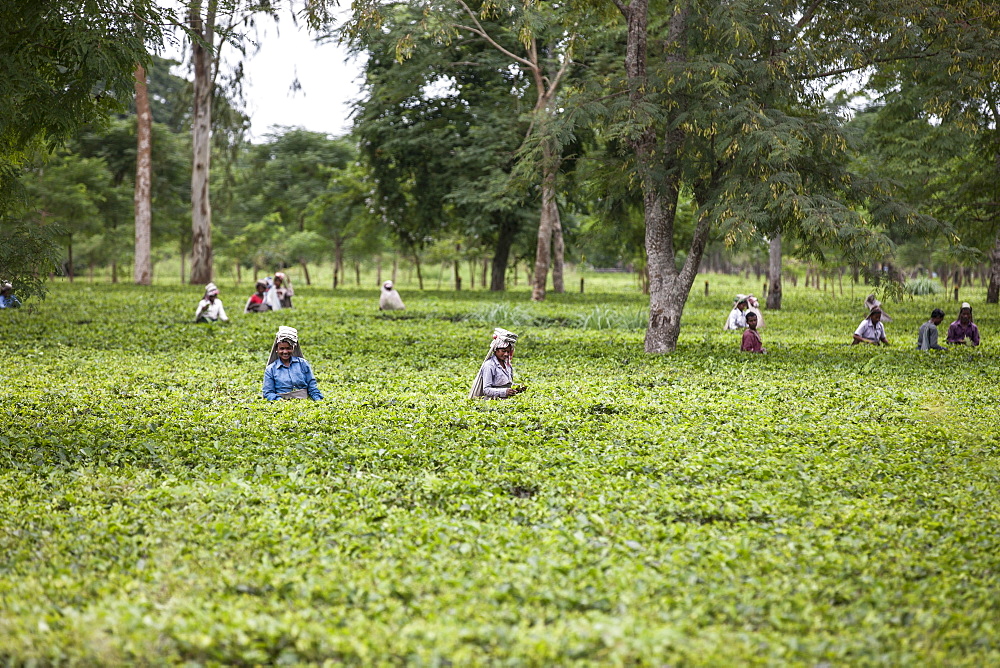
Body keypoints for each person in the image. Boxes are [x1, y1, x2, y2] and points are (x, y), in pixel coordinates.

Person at [262, 326, 323, 400]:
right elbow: (268, 393)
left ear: (293, 348)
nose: (285, 352)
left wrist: (318, 400)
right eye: (282, 349)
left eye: (288, 348)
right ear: (276, 349)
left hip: (303, 401)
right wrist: (279, 400)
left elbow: (312, 387)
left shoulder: (303, 364)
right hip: (281, 403)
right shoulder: (271, 369)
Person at [469, 327, 525, 399]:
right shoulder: (489, 365)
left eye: (508, 351)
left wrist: (518, 388)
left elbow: (506, 385)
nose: (506, 354)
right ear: (496, 350)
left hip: (506, 401)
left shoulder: (507, 365)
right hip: (492, 402)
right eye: (503, 351)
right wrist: (504, 392)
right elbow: (486, 390)